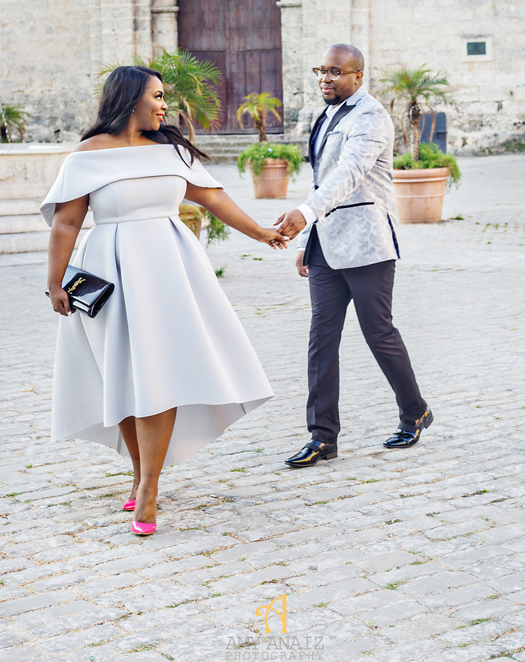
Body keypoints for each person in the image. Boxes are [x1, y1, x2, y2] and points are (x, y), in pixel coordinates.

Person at [42, 66, 288, 535]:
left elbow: (213, 199)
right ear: (130, 98)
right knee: (128, 378)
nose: (164, 106)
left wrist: (262, 233)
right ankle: (139, 472)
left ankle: (149, 490)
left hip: (171, 272)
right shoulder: (86, 157)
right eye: (156, 96)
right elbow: (66, 224)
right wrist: (55, 283)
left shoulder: (171, 151)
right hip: (111, 274)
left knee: (160, 375)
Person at [275, 44, 432, 468]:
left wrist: (304, 215)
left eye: (335, 71)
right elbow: (321, 179)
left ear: (357, 76)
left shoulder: (370, 117)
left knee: (378, 333)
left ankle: (415, 411)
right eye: (321, 70)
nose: (325, 78)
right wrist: (312, 240)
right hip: (327, 245)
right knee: (321, 339)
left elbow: (349, 174)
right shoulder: (326, 114)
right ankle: (322, 436)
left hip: (367, 245)